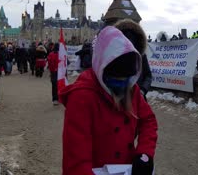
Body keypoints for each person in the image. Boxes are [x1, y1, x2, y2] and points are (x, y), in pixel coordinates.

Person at [60, 26, 158, 175]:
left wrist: (144, 154)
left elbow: (148, 120)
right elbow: (76, 161)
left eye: (125, 81)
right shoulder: (81, 97)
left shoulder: (130, 88)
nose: (120, 87)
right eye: (115, 81)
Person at [114, 19, 152, 101]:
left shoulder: (141, 56)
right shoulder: (112, 57)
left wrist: (142, 90)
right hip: (117, 101)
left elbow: (148, 75)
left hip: (139, 100)